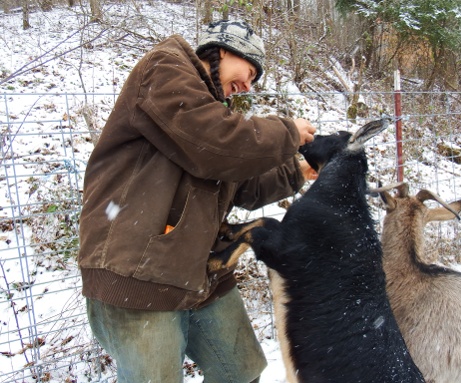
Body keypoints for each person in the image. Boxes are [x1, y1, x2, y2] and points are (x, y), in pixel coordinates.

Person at [78, 19, 317, 383]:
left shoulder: (212, 115)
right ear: (222, 50)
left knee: (241, 371)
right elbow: (217, 144)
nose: (247, 85)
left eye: (253, 80)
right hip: (137, 271)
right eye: (248, 71)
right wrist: (287, 132)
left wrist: (299, 171)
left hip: (198, 271)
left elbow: (244, 183)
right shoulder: (164, 67)